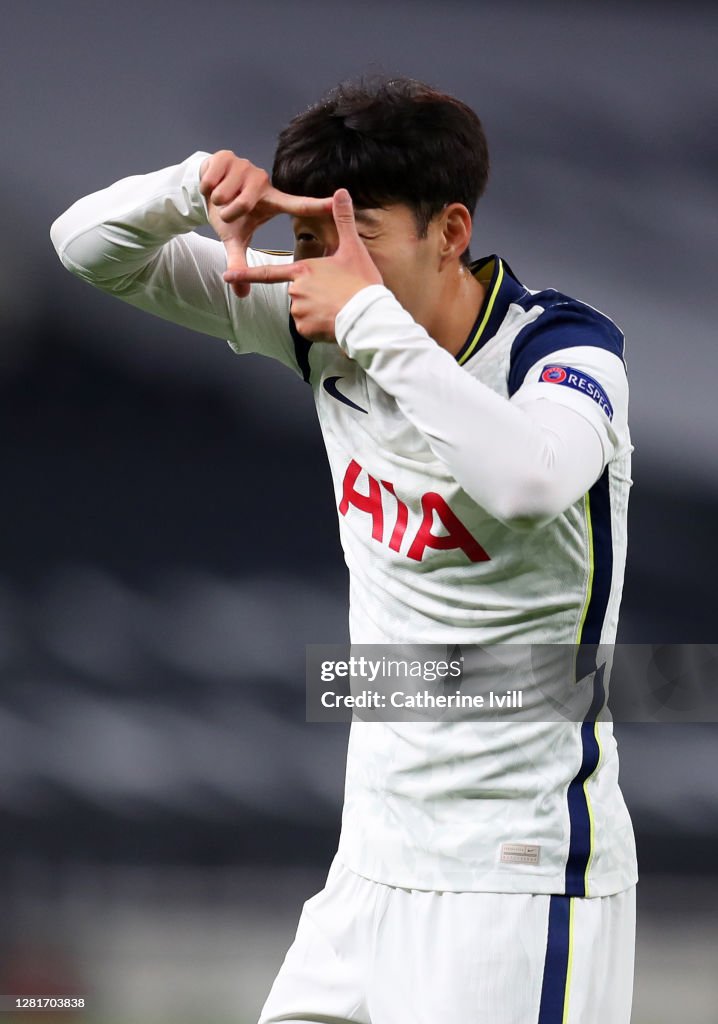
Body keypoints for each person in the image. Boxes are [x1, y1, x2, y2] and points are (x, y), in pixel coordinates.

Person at [50, 76, 637, 1024]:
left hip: (515, 883)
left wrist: (368, 320)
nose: (327, 270)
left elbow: (528, 479)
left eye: (360, 237)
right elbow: (85, 250)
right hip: (367, 875)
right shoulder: (317, 319)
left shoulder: (565, 351)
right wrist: (191, 187)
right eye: (314, 241)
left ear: (451, 232)